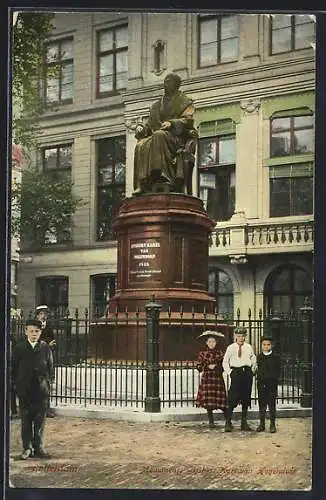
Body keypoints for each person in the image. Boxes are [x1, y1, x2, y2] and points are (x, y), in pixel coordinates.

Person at [133, 72, 196, 194]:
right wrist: (141, 128)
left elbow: (188, 120)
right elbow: (149, 125)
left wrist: (172, 123)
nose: (165, 84)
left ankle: (162, 176)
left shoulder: (185, 101)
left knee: (159, 135)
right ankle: (143, 183)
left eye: (169, 82)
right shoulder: (157, 105)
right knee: (140, 145)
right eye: (165, 82)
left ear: (176, 85)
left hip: (176, 139)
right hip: (158, 137)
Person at [11, 318, 54, 459]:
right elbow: (14, 368)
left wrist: (48, 384)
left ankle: (39, 448)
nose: (34, 334)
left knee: (40, 421)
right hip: (25, 391)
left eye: (37, 331)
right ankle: (27, 448)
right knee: (26, 420)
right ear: (26, 331)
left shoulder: (45, 348)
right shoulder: (19, 348)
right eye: (31, 331)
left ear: (40, 332)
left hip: (41, 391)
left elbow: (50, 368)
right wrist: (16, 386)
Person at [222, 326, 257, 432]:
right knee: (232, 398)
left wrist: (253, 368)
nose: (240, 338)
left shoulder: (248, 347)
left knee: (246, 398)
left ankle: (244, 422)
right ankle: (228, 422)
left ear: (245, 336)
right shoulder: (231, 347)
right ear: (235, 336)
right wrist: (230, 372)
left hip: (246, 373)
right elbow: (225, 361)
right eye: (238, 336)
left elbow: (253, 358)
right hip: (236, 373)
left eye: (242, 336)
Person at [195, 330, 227, 428]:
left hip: (217, 379)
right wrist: (207, 366)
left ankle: (228, 421)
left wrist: (217, 367)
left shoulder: (221, 353)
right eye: (209, 342)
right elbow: (199, 367)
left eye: (213, 341)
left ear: (216, 342)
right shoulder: (202, 354)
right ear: (206, 343)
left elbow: (224, 366)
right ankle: (211, 421)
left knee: (222, 401)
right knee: (208, 402)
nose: (211, 344)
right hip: (207, 379)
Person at [256, 336, 281, 433]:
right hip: (261, 384)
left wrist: (273, 379)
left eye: (268, 345)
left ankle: (272, 424)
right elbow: (258, 369)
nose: (266, 346)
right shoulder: (259, 357)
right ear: (261, 345)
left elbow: (278, 371)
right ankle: (262, 424)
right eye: (264, 345)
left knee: (271, 404)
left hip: (271, 384)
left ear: (272, 345)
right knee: (262, 405)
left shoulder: (275, 357)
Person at [35, 305, 56, 417]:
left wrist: (50, 344)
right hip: (37, 357)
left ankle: (46, 409)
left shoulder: (48, 326)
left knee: (46, 384)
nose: (45, 315)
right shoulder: (33, 327)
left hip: (47, 355)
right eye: (43, 313)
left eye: (46, 313)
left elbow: (52, 338)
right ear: (38, 314)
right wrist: (46, 343)